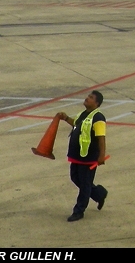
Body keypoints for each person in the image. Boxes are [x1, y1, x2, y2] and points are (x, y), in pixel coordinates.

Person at [56, 91, 108, 221]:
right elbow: (77, 124)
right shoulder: (83, 114)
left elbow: (101, 138)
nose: (87, 98)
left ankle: (79, 211)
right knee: (75, 178)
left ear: (96, 103)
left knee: (85, 184)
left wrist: (101, 155)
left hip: (89, 157)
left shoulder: (98, 118)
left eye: (90, 98)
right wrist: (66, 118)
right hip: (78, 154)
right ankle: (99, 194)